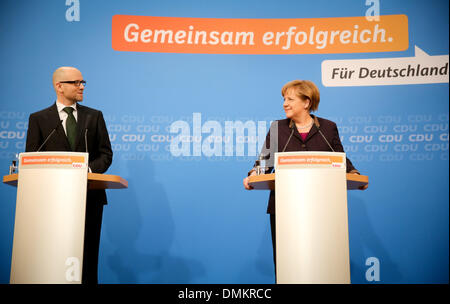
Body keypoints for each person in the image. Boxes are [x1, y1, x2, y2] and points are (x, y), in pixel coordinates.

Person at [242, 80, 368, 276]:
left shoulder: (328, 128)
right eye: (284, 99)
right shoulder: (277, 128)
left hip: (323, 207)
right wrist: (252, 175)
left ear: (307, 102)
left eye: (290, 99)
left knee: (324, 265)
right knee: (287, 267)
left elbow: (340, 159)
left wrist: (353, 173)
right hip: (284, 208)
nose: (285, 103)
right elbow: (263, 162)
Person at [25, 66, 113, 284]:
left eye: (83, 82)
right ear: (59, 87)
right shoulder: (39, 119)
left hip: (89, 198)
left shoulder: (94, 116)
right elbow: (33, 157)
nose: (81, 86)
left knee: (87, 258)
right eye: (76, 82)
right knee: (52, 256)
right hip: (52, 202)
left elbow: (105, 154)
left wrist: (87, 171)